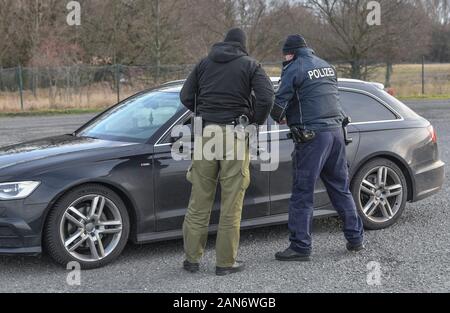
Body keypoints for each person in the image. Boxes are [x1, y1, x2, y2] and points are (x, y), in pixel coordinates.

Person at [180, 28, 274, 275]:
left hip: (206, 135)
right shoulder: (250, 65)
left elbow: (185, 96)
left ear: (224, 42)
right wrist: (254, 122)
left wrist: (204, 111)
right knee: (231, 203)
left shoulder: (204, 63)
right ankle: (225, 263)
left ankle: (191, 259)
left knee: (199, 200)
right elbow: (266, 98)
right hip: (234, 134)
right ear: (243, 45)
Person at [270, 35, 365, 262]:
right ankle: (356, 239)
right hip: (336, 134)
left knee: (303, 192)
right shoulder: (326, 66)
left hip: (312, 138)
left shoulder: (295, 67)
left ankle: (300, 246)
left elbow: (278, 107)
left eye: (285, 55)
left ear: (290, 53)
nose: (284, 58)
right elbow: (322, 98)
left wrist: (278, 112)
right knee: (340, 188)